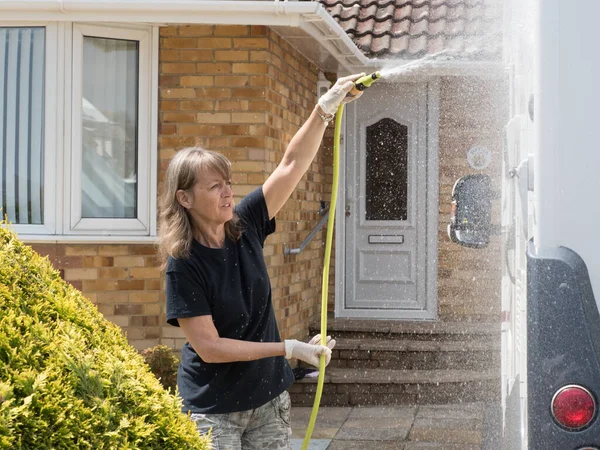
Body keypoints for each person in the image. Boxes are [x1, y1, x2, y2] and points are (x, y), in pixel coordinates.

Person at [157, 73, 365, 450]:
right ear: (185, 199)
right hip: (214, 410)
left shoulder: (244, 224)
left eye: (228, 182)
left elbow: (290, 165)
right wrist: (288, 348)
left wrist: (324, 109)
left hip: (268, 399)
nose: (228, 192)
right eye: (215, 186)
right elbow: (211, 348)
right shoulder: (184, 264)